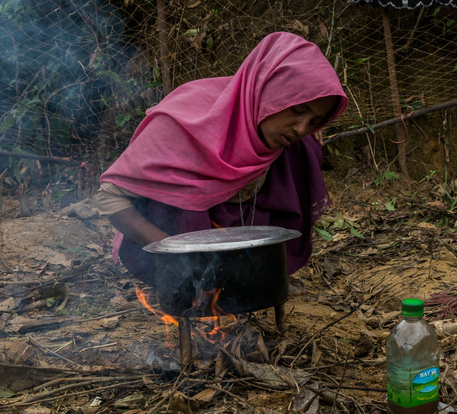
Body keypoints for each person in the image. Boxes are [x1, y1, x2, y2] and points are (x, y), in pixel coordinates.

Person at [95, 32, 348, 284]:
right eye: (297, 110)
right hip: (175, 252)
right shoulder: (183, 124)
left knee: (307, 148)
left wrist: (308, 121)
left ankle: (254, 273)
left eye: (315, 121)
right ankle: (196, 282)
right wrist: (172, 253)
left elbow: (301, 128)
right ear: (266, 91)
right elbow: (109, 196)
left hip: (237, 243)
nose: (301, 128)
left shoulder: (291, 139)